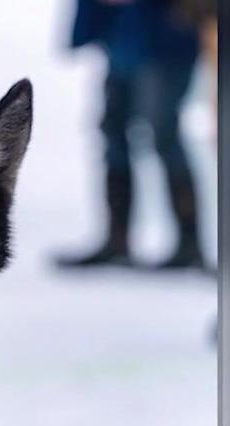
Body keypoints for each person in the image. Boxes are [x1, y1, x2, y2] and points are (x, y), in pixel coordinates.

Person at [58, 0, 206, 270]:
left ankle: (189, 244)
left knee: (163, 133)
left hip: (165, 39)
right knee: (114, 134)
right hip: (121, 38)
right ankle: (117, 240)